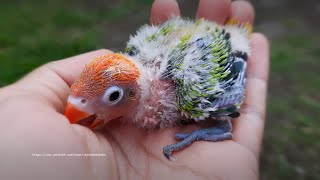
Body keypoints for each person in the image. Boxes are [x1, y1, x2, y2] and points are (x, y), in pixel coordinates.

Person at [0, 0, 269, 179]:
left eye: (113, 96)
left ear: (134, 93)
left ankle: (220, 128)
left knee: (206, 104)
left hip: (225, 43)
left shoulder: (188, 85)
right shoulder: (142, 52)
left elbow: (232, 64)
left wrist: (215, 124)